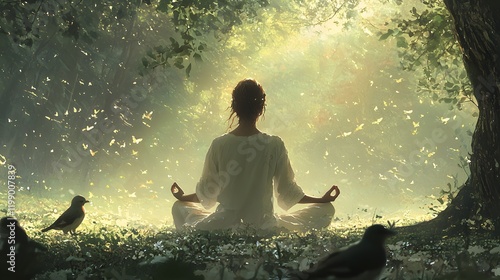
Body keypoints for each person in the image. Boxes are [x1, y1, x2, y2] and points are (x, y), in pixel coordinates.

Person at [171, 78, 340, 231]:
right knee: (326, 210)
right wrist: (321, 200)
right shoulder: (274, 144)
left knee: (179, 207)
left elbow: (207, 194)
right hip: (263, 225)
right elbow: (287, 191)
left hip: (224, 224)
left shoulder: (219, 144)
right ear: (261, 108)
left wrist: (182, 197)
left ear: (234, 107)